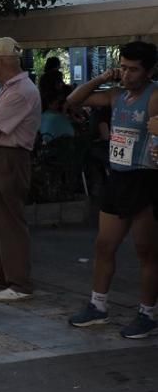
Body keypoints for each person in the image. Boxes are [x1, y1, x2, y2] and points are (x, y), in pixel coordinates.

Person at [66, 42, 158, 338]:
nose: (127, 74)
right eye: (124, 67)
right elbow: (74, 100)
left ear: (149, 71)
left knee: (146, 251)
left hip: (145, 179)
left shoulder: (154, 96)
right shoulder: (118, 94)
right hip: (117, 178)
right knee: (104, 245)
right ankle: (98, 305)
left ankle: (147, 313)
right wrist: (103, 77)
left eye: (134, 69)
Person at [0, 37, 41, 303]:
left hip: (9, 156)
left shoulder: (21, 90)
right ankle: (2, 274)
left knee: (9, 220)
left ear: (1, 61)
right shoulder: (10, 87)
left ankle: (19, 282)